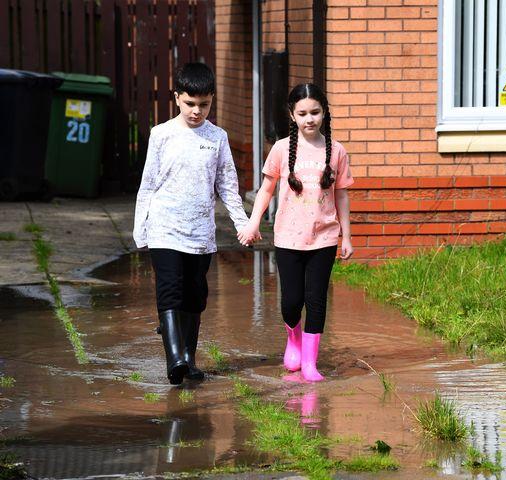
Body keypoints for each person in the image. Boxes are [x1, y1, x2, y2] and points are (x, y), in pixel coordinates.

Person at [133, 62, 257, 385]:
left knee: (194, 295)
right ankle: (174, 359)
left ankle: (188, 358)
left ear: (212, 100)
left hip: (200, 234)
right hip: (165, 228)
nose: (196, 111)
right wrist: (140, 227)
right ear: (177, 98)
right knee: (170, 290)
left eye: (204, 104)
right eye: (190, 103)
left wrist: (243, 223)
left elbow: (228, 186)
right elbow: (147, 185)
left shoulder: (217, 138)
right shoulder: (161, 135)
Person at [238, 83, 353, 382]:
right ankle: (294, 338)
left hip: (324, 238)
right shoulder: (280, 149)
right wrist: (253, 223)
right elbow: (266, 189)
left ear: (325, 112)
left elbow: (341, 195)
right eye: (302, 113)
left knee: (316, 300)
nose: (309, 119)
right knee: (291, 301)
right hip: (288, 237)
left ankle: (310, 363)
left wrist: (347, 237)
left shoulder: (337, 151)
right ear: (292, 115)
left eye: (315, 112)